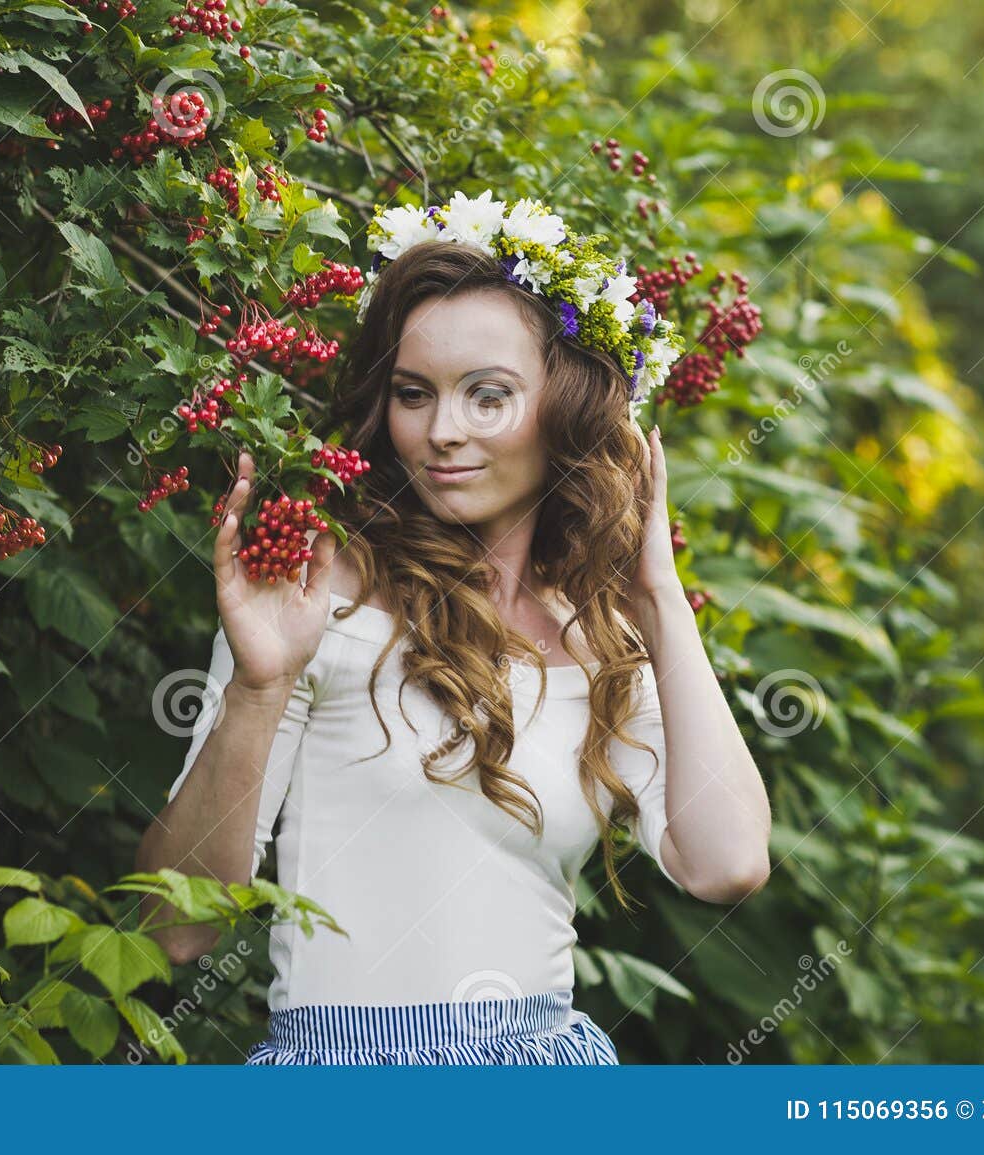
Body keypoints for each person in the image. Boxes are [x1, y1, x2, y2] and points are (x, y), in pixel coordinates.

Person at [135, 193, 772, 1065]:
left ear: (569, 406)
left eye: (488, 396)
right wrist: (257, 686)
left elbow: (726, 861)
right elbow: (175, 926)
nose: (442, 432)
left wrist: (658, 597)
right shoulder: (315, 597)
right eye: (413, 393)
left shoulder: (594, 635)